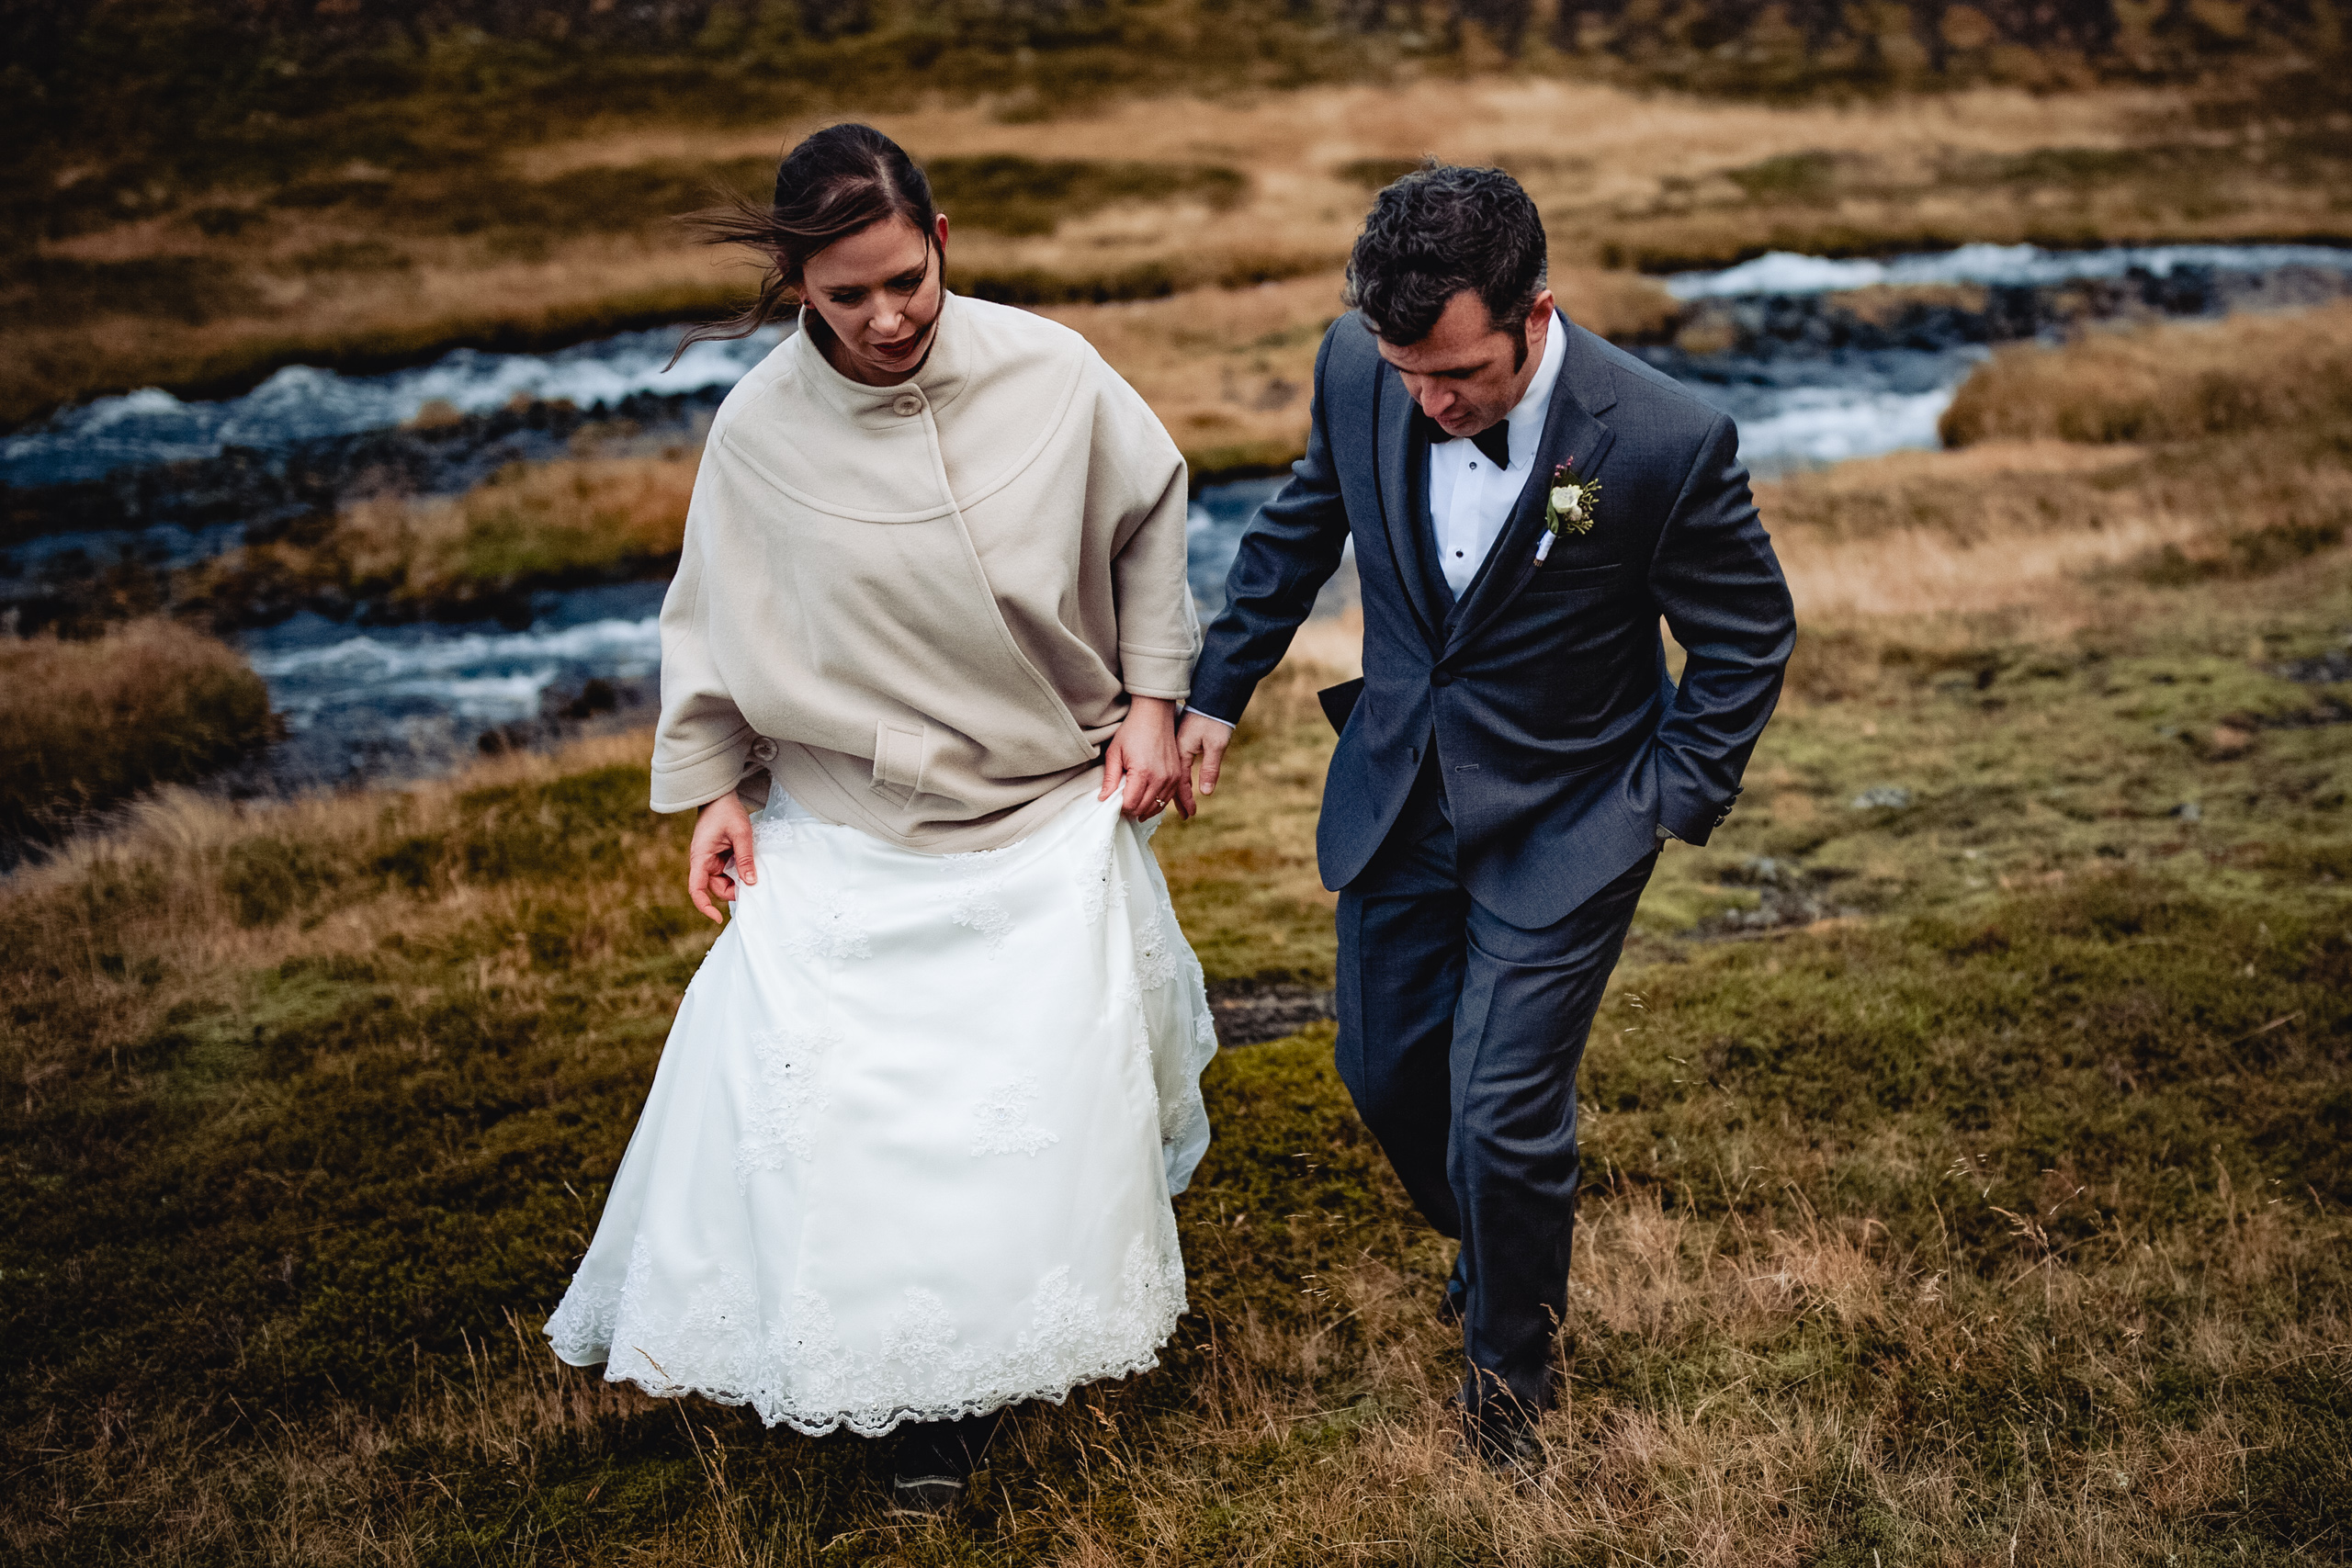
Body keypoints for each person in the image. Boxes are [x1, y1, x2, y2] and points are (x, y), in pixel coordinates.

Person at [542, 123, 1220, 1514]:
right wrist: (721, 787)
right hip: (847, 814)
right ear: (800, 286)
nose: (886, 316)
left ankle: (998, 1348)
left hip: (1041, 799)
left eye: (905, 279)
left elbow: (1151, 516)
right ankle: (896, 1379)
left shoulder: (1054, 372)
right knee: (857, 1110)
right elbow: (714, 617)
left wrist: (1155, 699)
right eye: (847, 295)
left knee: (1022, 1101)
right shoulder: (757, 430)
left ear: (943, 242)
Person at [1175, 164, 1794, 1470]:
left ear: (1536, 312)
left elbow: (1746, 642)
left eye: (1459, 374)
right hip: (1399, 793)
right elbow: (1299, 526)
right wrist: (1213, 697)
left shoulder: (1665, 438)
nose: (1432, 401)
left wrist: (1664, 803)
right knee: (1386, 1074)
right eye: (1410, 373)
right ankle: (1502, 1238)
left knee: (1503, 1110)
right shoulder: (1358, 370)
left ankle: (1510, 1387)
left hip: (1572, 819)